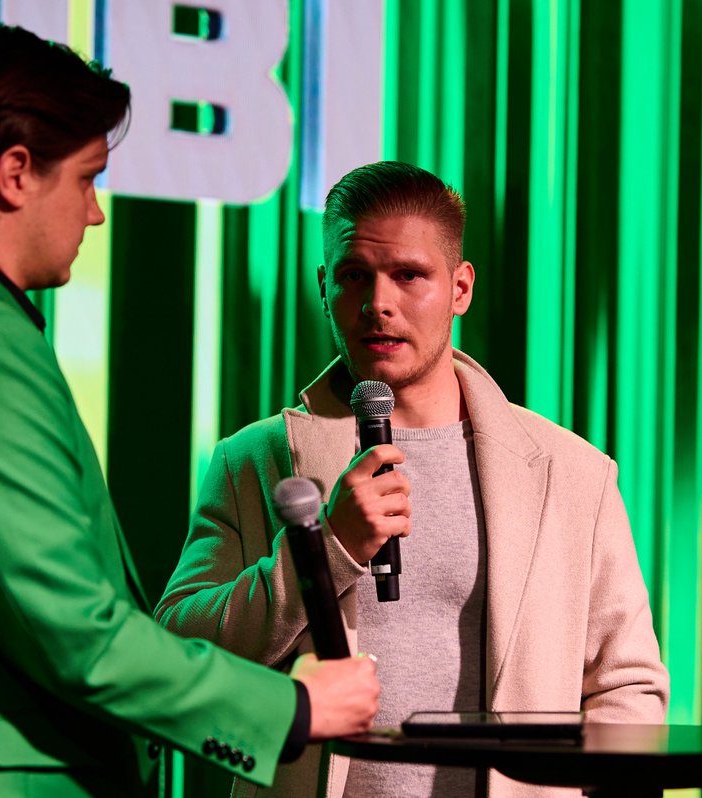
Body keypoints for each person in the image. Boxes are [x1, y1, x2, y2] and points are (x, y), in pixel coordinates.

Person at [0, 23, 378, 798]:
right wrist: (293, 707)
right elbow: (75, 632)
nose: (95, 212)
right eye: (86, 179)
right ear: (15, 173)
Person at [155, 161, 669, 798]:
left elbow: (627, 684)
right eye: (354, 275)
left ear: (460, 288)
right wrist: (329, 548)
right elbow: (175, 655)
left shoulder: (571, 472)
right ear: (324, 286)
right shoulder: (257, 459)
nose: (378, 303)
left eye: (409, 275)